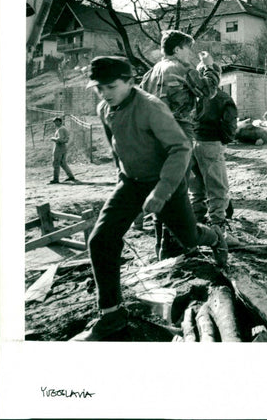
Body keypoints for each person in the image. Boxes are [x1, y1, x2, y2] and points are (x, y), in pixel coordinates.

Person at [71, 56, 227, 341]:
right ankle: (112, 316)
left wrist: (162, 191)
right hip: (131, 183)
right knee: (100, 240)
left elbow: (181, 149)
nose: (104, 94)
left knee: (189, 238)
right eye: (99, 88)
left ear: (130, 82)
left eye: (111, 87)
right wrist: (124, 179)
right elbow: (116, 146)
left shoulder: (151, 108)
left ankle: (215, 236)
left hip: (167, 182)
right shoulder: (105, 108)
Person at [140, 30, 221, 258]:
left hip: (153, 135)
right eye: (188, 48)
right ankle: (173, 247)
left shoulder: (151, 72)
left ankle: (161, 246)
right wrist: (209, 67)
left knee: (162, 187)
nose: (191, 54)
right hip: (178, 132)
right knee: (177, 189)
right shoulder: (182, 68)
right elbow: (209, 91)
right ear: (177, 49)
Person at [190, 88, 239, 246]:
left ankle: (196, 227)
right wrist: (224, 140)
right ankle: (219, 230)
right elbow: (230, 124)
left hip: (191, 142)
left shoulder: (191, 93)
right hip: (211, 143)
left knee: (196, 188)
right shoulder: (223, 98)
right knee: (218, 188)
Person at [50, 116, 77, 183]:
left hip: (59, 148)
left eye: (56, 121)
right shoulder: (63, 128)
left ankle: (55, 179)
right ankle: (70, 176)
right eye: (54, 122)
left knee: (56, 163)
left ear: (59, 122)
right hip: (63, 147)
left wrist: (53, 138)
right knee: (63, 163)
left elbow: (60, 140)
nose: (55, 123)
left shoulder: (60, 129)